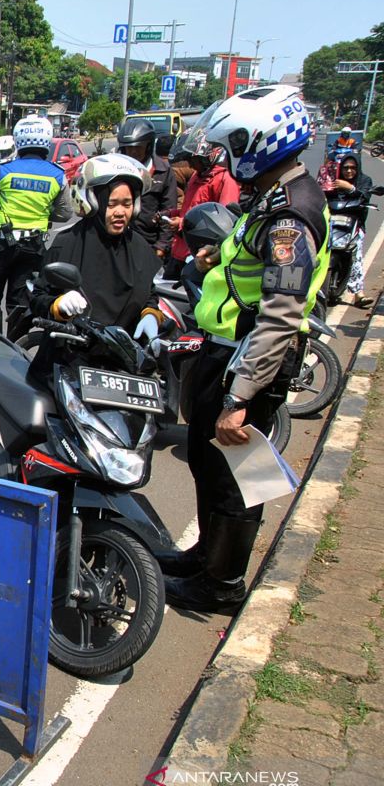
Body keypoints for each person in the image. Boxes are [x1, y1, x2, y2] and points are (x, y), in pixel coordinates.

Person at [161, 85, 329, 612]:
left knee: (236, 478)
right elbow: (255, 269)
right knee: (205, 462)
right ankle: (205, 555)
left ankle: (223, 585)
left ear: (264, 140)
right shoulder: (277, 198)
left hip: (248, 364)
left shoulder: (290, 217)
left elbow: (280, 312)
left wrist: (240, 397)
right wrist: (217, 258)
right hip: (225, 351)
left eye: (236, 141)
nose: (230, 153)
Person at [28, 154, 161, 352]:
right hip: (71, 354)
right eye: (111, 203)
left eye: (127, 204)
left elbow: (150, 294)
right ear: (93, 202)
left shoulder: (140, 248)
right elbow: (39, 297)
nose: (120, 212)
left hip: (124, 360)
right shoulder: (67, 243)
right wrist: (59, 305)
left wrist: (150, 315)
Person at [0, 115, 72, 332]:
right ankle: (14, 347)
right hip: (33, 246)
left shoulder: (4, 170)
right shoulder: (58, 176)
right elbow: (65, 213)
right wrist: (43, 212)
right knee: (20, 300)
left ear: (18, 140)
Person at [162, 139, 242, 279]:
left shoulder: (225, 179)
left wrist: (181, 223)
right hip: (180, 250)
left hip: (201, 254)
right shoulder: (197, 176)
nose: (191, 165)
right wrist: (169, 214)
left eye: (193, 160)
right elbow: (190, 208)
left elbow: (224, 222)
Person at [318, 153, 375, 308]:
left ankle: (359, 294)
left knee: (357, 254)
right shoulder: (332, 179)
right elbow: (321, 193)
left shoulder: (364, 181)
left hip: (354, 223)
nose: (349, 171)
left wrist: (350, 188)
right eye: (345, 168)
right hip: (333, 220)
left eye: (352, 168)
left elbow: (365, 195)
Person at [116, 118, 178, 258]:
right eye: (129, 148)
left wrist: (161, 247)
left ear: (149, 146)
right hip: (118, 243)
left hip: (149, 244)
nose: (132, 152)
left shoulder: (163, 171)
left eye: (138, 147)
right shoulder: (115, 170)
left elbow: (168, 211)